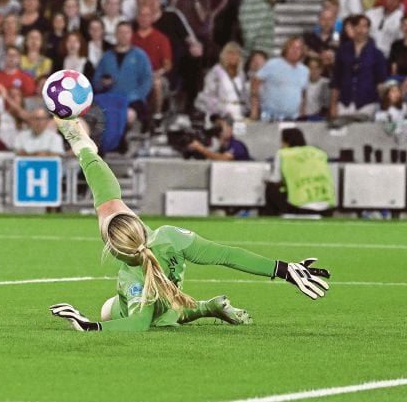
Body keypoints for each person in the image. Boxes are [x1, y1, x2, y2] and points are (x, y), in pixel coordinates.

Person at [48, 119, 331, 332]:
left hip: (158, 299)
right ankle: (203, 307)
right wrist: (282, 269)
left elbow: (139, 323)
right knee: (166, 304)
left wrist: (91, 326)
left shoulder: (131, 277)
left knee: (116, 311)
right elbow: (227, 255)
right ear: (137, 224)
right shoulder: (170, 237)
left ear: (114, 249)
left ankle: (204, 307)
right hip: (169, 286)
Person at [264, 127, 336, 215]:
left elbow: (275, 179)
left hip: (300, 207)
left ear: (286, 142)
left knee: (270, 187)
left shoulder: (284, 154)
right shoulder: (318, 152)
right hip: (327, 207)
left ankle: (272, 220)